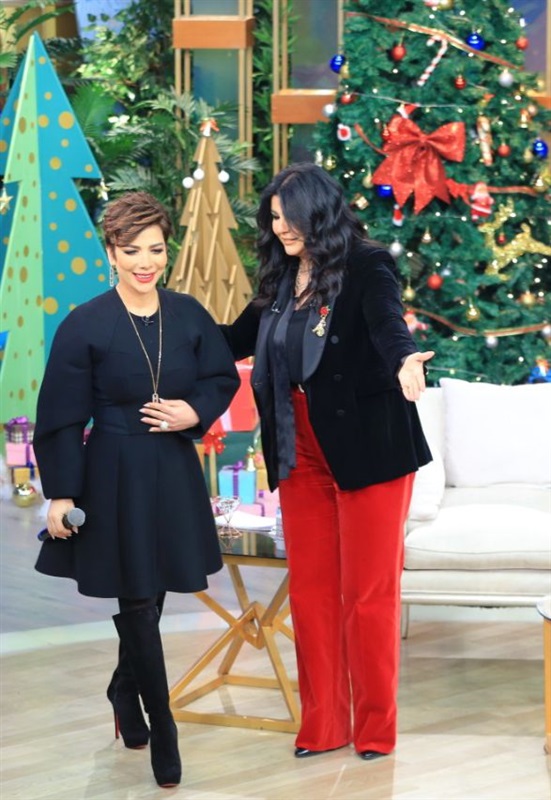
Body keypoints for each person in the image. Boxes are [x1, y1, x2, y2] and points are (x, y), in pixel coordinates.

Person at [220, 163, 433, 762]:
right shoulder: (282, 277)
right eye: (273, 217)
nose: (279, 227)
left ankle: (375, 729)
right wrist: (162, 321)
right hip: (298, 446)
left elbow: (388, 324)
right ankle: (324, 724)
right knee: (313, 592)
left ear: (318, 211)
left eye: (288, 216)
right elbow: (231, 340)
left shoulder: (367, 264)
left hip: (368, 448)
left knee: (367, 594)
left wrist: (406, 358)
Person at [33, 191, 240, 788]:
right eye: (131, 251)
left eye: (155, 250)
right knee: (138, 599)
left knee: (153, 592)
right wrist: (63, 493)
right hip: (113, 474)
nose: (145, 262)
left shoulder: (189, 313)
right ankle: (163, 724)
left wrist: (192, 412)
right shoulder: (85, 324)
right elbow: (60, 417)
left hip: (172, 469)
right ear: (111, 252)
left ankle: (124, 690)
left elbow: (220, 377)